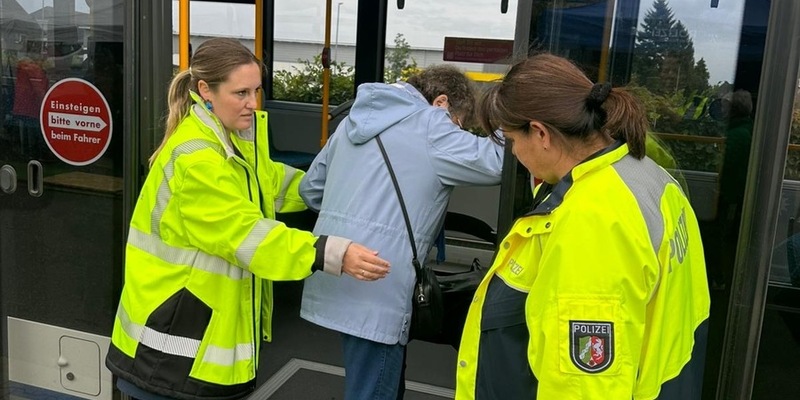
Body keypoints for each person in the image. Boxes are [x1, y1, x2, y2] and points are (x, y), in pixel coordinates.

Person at [105, 38, 390, 400]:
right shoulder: (199, 161)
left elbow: (270, 184)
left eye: (256, 90)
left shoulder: (230, 140)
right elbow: (248, 236)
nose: (253, 103)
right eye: (241, 92)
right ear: (205, 90)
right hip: (172, 356)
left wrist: (331, 192)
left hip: (190, 343)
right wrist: (332, 253)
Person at [455, 54, 710, 399]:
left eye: (512, 140)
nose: (514, 153)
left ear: (541, 133)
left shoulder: (592, 220)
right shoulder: (646, 174)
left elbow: (584, 384)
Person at [298, 65, 504, 399]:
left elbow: (311, 190)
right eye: (461, 124)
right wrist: (507, 116)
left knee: (372, 380)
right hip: (379, 283)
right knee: (374, 389)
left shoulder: (354, 120)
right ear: (440, 104)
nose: (459, 133)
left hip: (337, 272)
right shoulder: (432, 125)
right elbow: (499, 162)